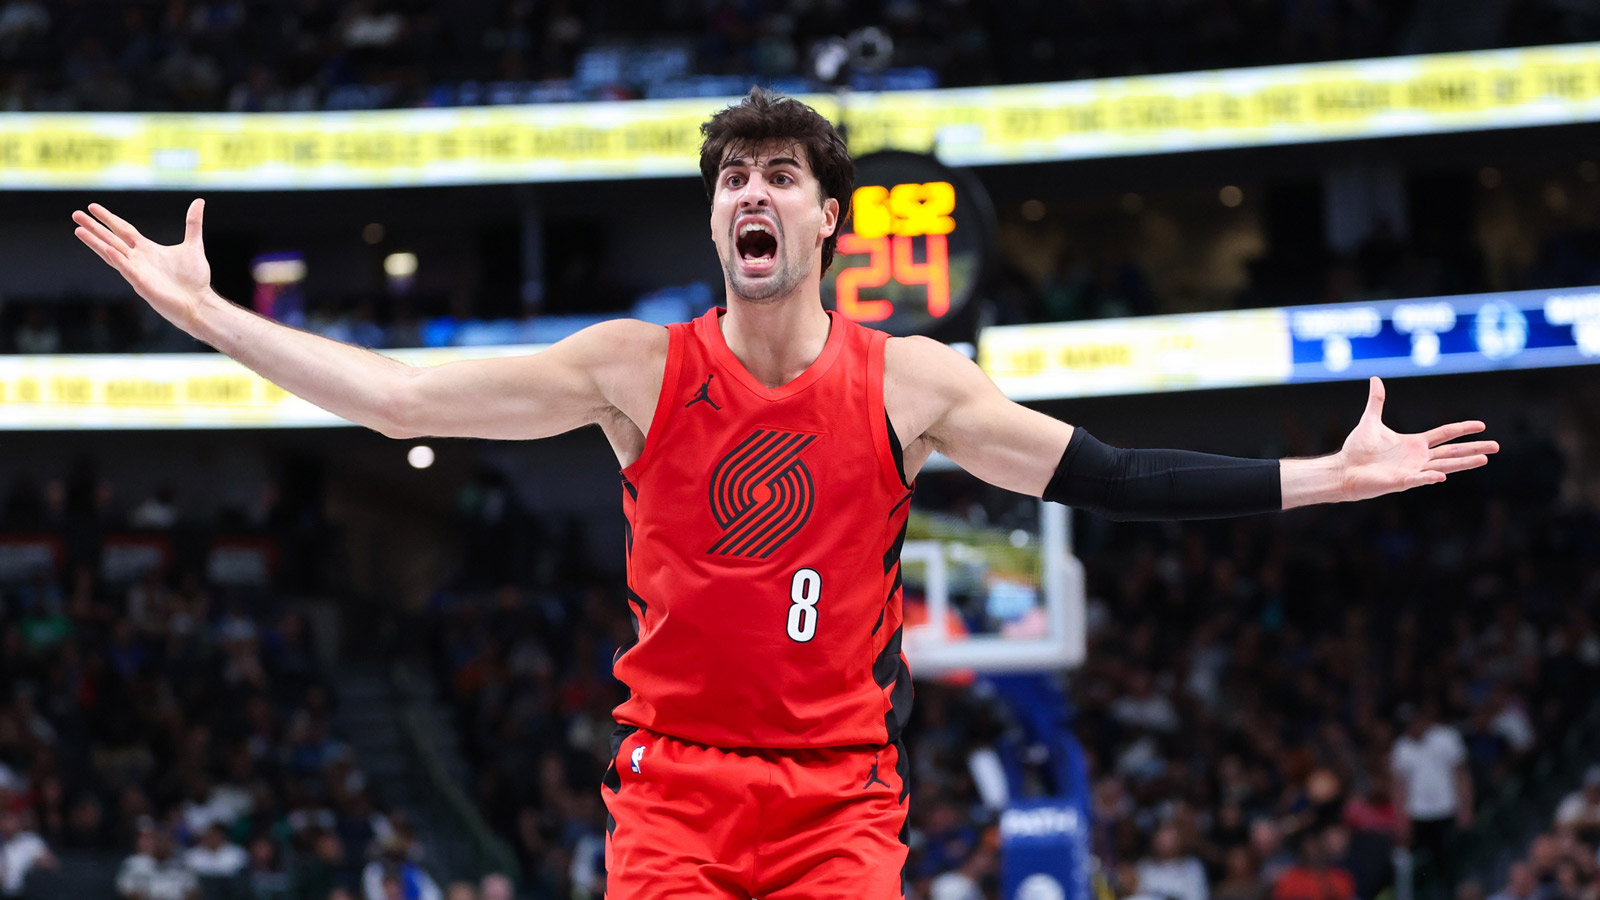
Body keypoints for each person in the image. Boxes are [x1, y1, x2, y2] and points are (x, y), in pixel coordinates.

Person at [71, 86, 1499, 900]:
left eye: (780, 176)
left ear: (827, 218)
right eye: (732, 177)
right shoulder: (634, 369)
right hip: (675, 795)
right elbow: (390, 398)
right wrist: (211, 321)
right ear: (717, 217)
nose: (753, 193)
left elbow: (1113, 474)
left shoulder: (911, 386)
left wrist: (1324, 477)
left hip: (839, 807)